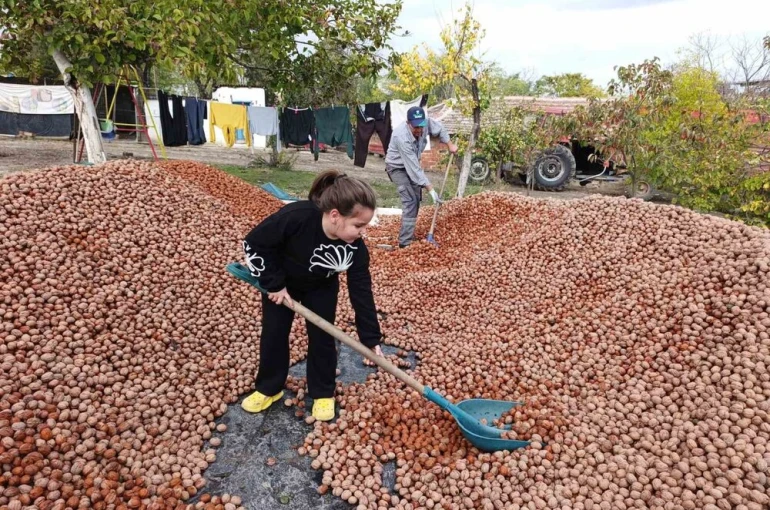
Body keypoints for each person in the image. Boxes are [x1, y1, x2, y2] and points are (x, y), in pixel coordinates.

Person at [240, 170, 385, 421]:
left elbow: (361, 290)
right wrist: (274, 284)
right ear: (335, 215)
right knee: (274, 333)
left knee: (322, 336)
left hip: (321, 287)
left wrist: (370, 338)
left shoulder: (355, 248)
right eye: (358, 225)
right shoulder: (297, 217)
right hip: (282, 284)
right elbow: (255, 243)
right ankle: (269, 387)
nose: (362, 232)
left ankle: (323, 392)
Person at [384, 106, 458, 248]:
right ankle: (405, 243)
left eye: (421, 126)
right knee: (410, 200)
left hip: (411, 165)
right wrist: (431, 190)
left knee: (416, 198)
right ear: (408, 123)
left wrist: (450, 145)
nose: (419, 130)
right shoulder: (401, 137)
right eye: (416, 127)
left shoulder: (426, 123)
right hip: (397, 168)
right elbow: (414, 169)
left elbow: (440, 128)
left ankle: (409, 233)